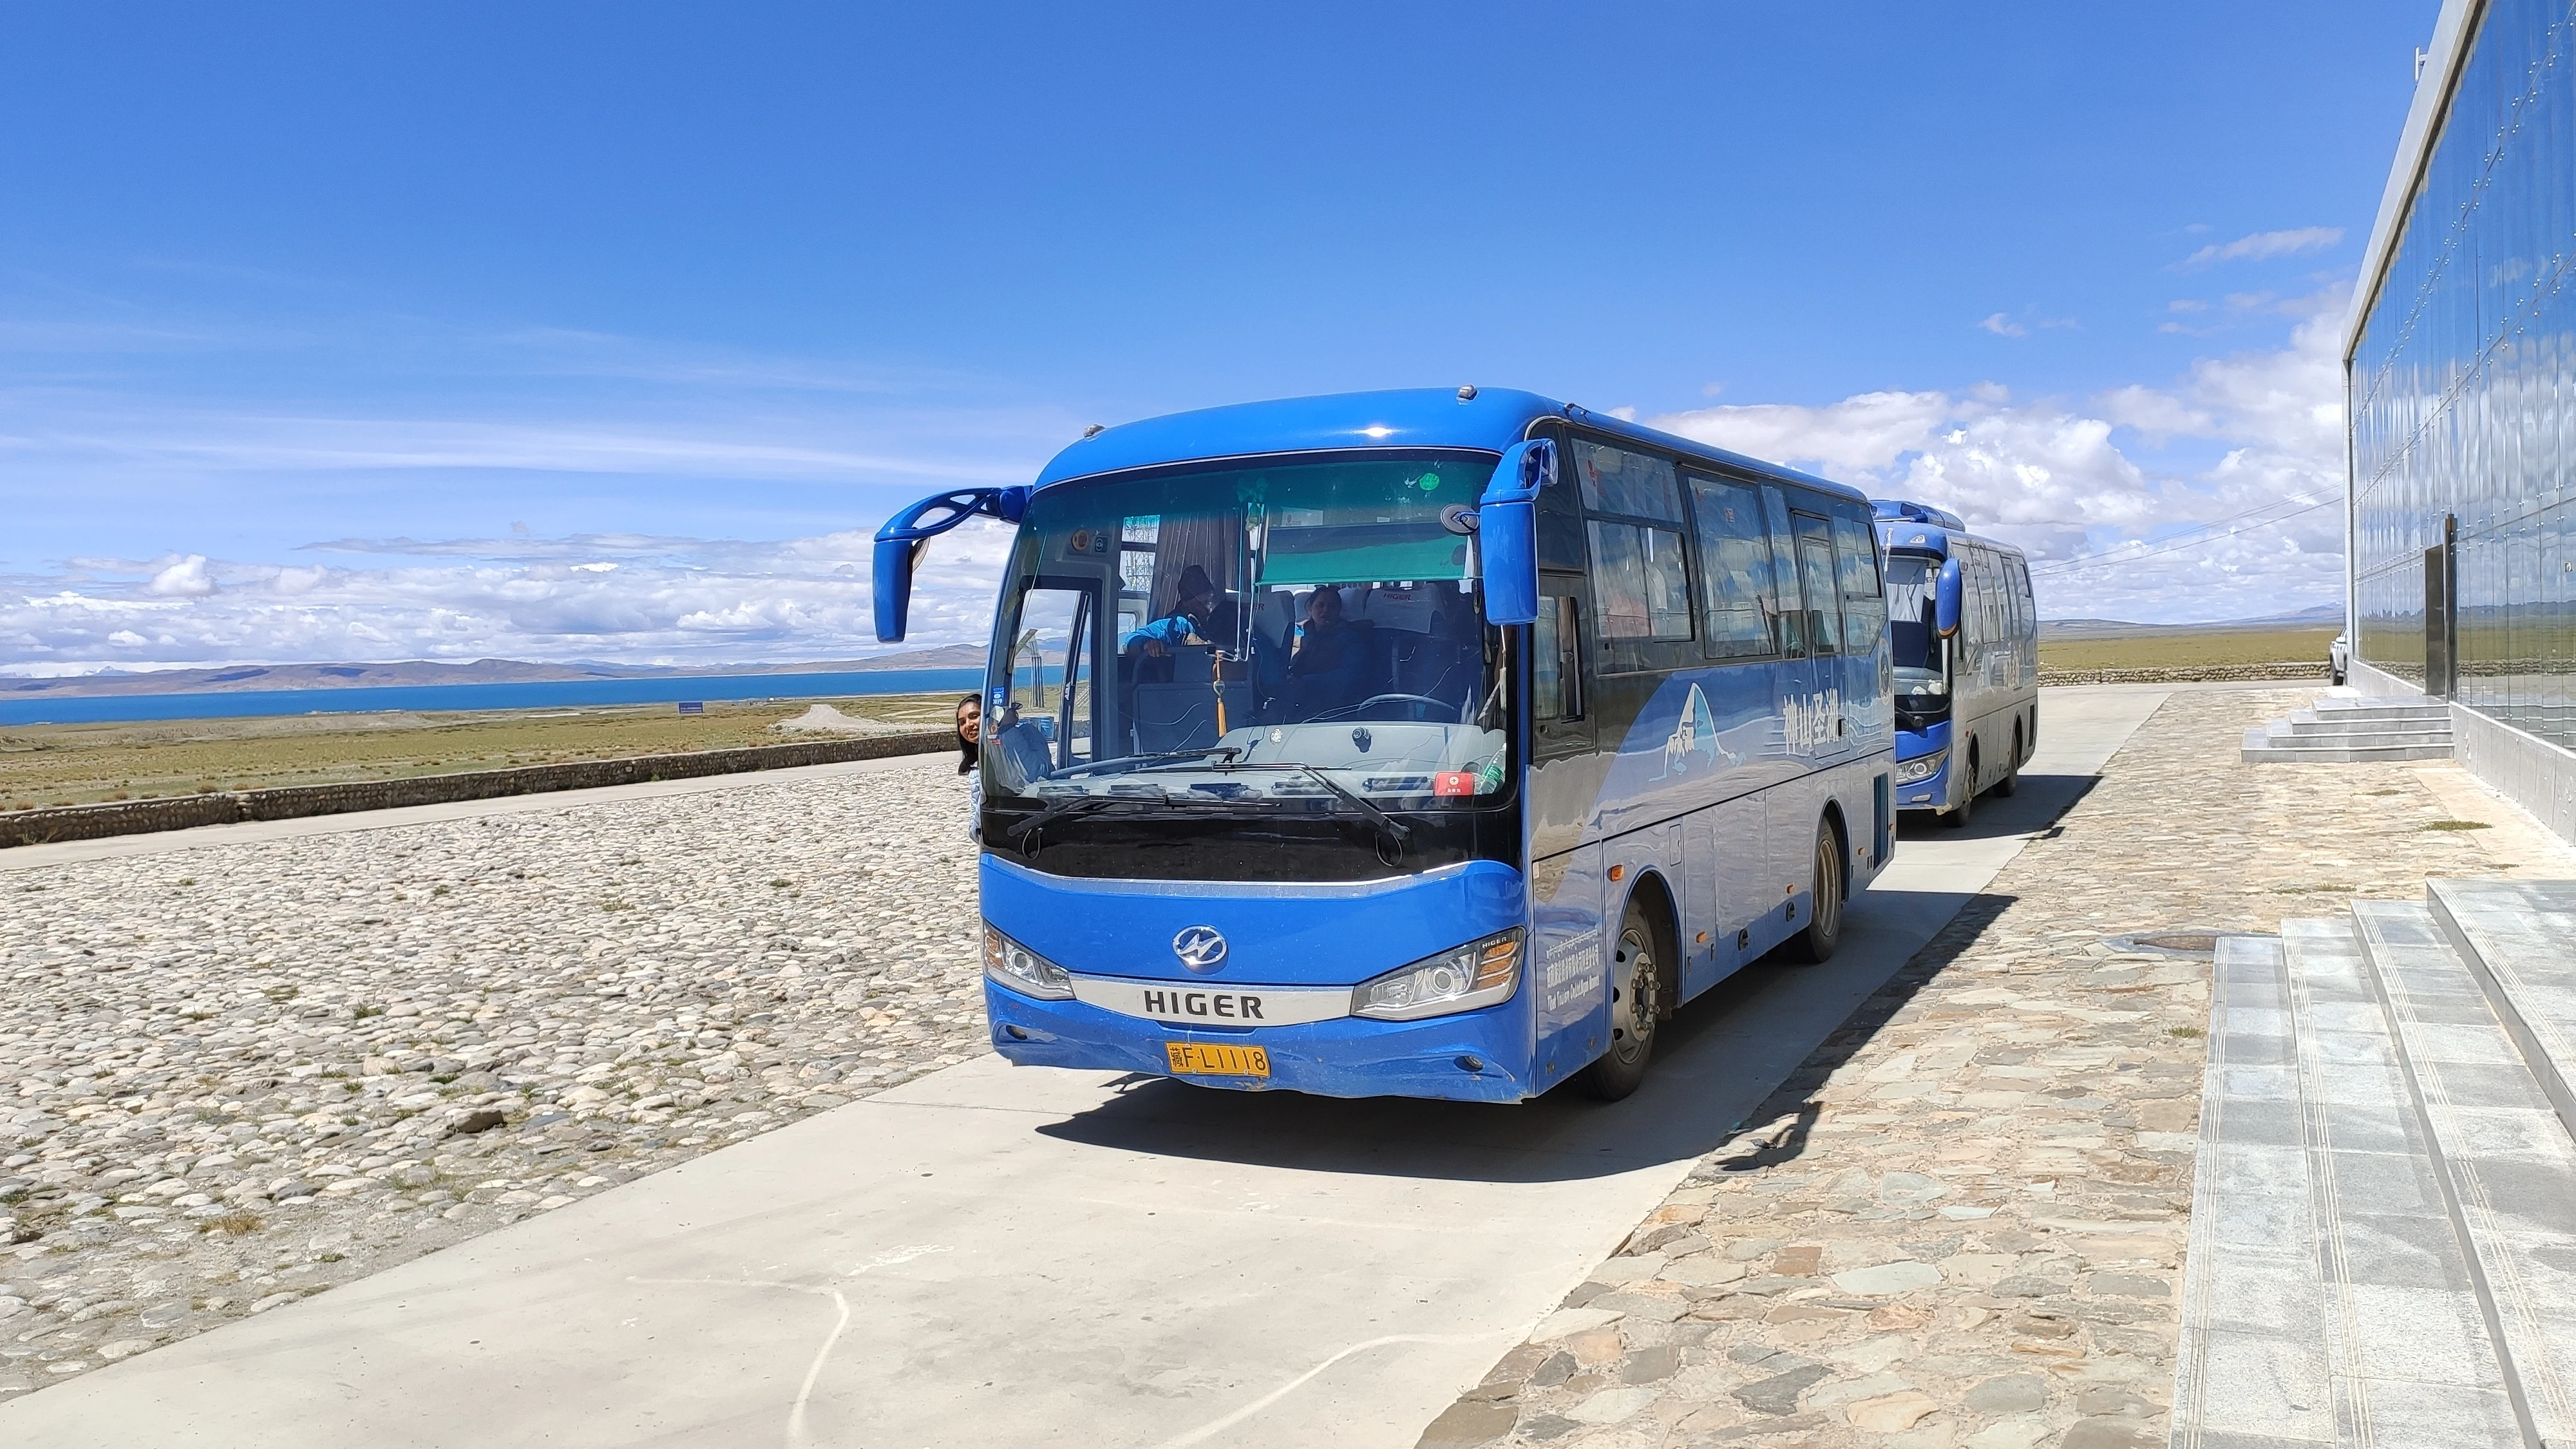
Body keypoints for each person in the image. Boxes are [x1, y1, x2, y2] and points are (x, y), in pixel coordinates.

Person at [954, 694, 981, 775]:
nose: (968, 725)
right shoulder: (967, 766)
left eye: (974, 716)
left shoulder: (1008, 751)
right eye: (962, 722)